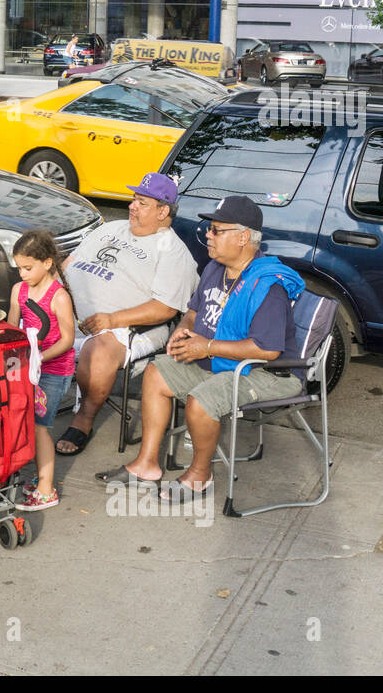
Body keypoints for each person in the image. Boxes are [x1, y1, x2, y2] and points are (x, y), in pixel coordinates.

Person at [95, 196, 306, 500]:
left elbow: (266, 350)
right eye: (209, 228)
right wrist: (182, 333)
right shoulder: (215, 268)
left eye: (217, 230)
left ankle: (199, 475)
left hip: (267, 373)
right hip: (219, 360)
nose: (208, 234)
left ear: (243, 237)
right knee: (156, 373)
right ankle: (146, 467)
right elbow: (193, 313)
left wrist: (206, 347)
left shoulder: (268, 287)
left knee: (201, 401)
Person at [57, 172, 198, 454]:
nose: (132, 206)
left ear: (163, 211)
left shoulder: (172, 251)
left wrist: (112, 319)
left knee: (99, 350)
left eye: (142, 203)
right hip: (69, 313)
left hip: (129, 327)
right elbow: (68, 264)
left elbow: (165, 308)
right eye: (134, 199)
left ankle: (84, 417)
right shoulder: (110, 229)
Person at [8, 229, 76, 512]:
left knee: (40, 427)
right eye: (19, 268)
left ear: (47, 263)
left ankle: (47, 489)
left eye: (27, 268)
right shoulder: (18, 290)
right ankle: (40, 476)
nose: (22, 274)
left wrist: (40, 357)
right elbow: (12, 327)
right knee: (23, 420)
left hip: (54, 370)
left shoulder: (58, 296)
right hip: (26, 366)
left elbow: (68, 339)